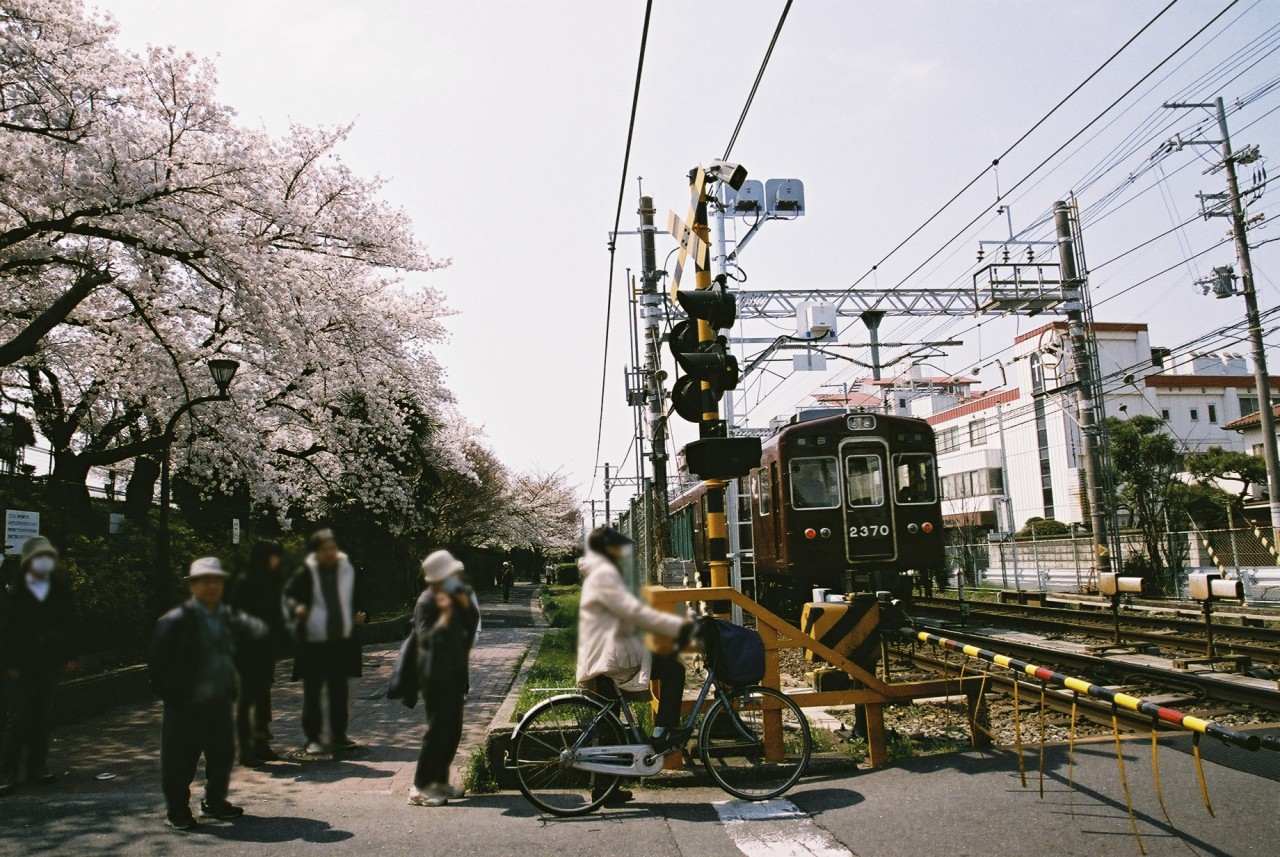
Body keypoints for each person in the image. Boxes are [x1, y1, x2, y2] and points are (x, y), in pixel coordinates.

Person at [577, 527, 691, 803]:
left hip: (602, 653)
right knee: (675, 670)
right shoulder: (607, 574)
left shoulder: (598, 572)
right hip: (611, 656)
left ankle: (603, 790)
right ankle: (664, 732)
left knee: (607, 724)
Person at [149, 557, 264, 830]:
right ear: (192, 585)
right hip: (185, 704)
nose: (212, 586)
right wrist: (178, 697)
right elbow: (157, 670)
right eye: (205, 581)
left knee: (222, 757)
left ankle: (214, 803)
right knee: (179, 760)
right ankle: (177, 811)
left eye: (217, 581)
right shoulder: (172, 622)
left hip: (220, 701)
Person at [0, 536, 76, 797]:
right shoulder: (15, 588)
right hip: (20, 663)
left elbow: (70, 621)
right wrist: (8, 663)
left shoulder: (59, 586)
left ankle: (37, 766)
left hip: (49, 660)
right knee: (18, 715)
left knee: (41, 715)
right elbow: (6, 628)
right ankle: (6, 771)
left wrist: (69, 654)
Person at [282, 529, 366, 756]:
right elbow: (288, 600)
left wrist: (363, 616)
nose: (329, 553)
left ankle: (339, 735)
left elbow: (362, 601)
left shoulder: (348, 572)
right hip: (313, 643)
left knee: (339, 691)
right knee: (313, 692)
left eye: (332, 548)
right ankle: (314, 737)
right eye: (324, 549)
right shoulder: (305, 573)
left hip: (341, 642)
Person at [408, 550, 480, 807]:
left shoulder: (455, 596)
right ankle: (419, 787)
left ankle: (438, 780)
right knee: (438, 730)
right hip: (434, 674)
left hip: (455, 672)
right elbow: (426, 640)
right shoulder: (427, 601)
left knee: (453, 730)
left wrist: (465, 605)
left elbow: (470, 629)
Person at [228, 540, 286, 767]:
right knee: (248, 699)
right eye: (274, 556)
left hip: (265, 649)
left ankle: (261, 743)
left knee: (263, 697)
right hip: (247, 650)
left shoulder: (272, 581)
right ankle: (245, 748)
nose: (277, 561)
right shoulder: (245, 583)